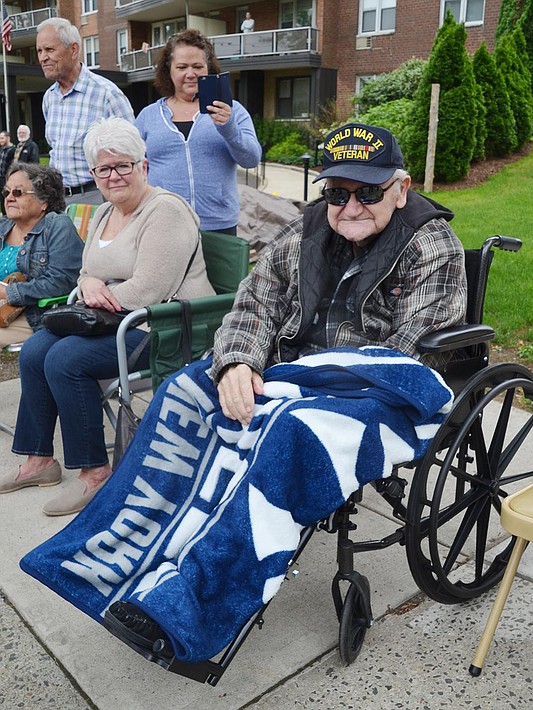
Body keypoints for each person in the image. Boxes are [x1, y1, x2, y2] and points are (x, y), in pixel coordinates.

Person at [20, 123, 467, 662]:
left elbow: (409, 355)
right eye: (336, 192)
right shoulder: (306, 231)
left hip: (377, 390)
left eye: (368, 191)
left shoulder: (430, 243)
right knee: (184, 393)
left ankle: (196, 598)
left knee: (281, 433)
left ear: (402, 187)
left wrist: (294, 386)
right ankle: (123, 552)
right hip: (288, 370)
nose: (350, 206)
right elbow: (252, 304)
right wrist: (237, 362)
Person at [0, 117, 215, 515]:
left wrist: (98, 290)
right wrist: (90, 284)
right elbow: (85, 271)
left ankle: (96, 472)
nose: (112, 176)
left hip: (162, 326)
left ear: (143, 166)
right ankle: (39, 461)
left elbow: (148, 291)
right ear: (94, 174)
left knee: (66, 360)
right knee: (34, 353)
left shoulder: (165, 211)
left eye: (122, 165)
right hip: (109, 319)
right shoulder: (103, 213)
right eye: (103, 168)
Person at [135, 29, 262, 234]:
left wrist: (229, 128)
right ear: (169, 70)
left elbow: (251, 159)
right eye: (182, 67)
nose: (190, 74)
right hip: (163, 224)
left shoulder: (232, 110)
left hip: (219, 224)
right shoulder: (148, 116)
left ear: (208, 69)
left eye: (197, 66)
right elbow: (134, 168)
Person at [36, 17, 135, 205]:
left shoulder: (107, 94)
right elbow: (56, 150)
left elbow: (133, 153)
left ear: (73, 50)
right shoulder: (49, 97)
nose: (42, 57)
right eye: (39, 51)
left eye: (49, 50)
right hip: (57, 199)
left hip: (96, 196)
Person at [0, 162, 83, 347]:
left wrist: (7, 292)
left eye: (18, 192)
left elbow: (61, 281)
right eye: (7, 192)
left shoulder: (57, 226)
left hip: (32, 316)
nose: (9, 198)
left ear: (43, 201)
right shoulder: (3, 226)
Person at [0, 130, 16, 215]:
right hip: (0, 177)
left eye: (2, 138)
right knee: (1, 199)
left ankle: (8, 215)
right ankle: (4, 215)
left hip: (7, 178)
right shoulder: (2, 150)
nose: (0, 140)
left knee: (7, 196)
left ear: (8, 138)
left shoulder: (13, 150)